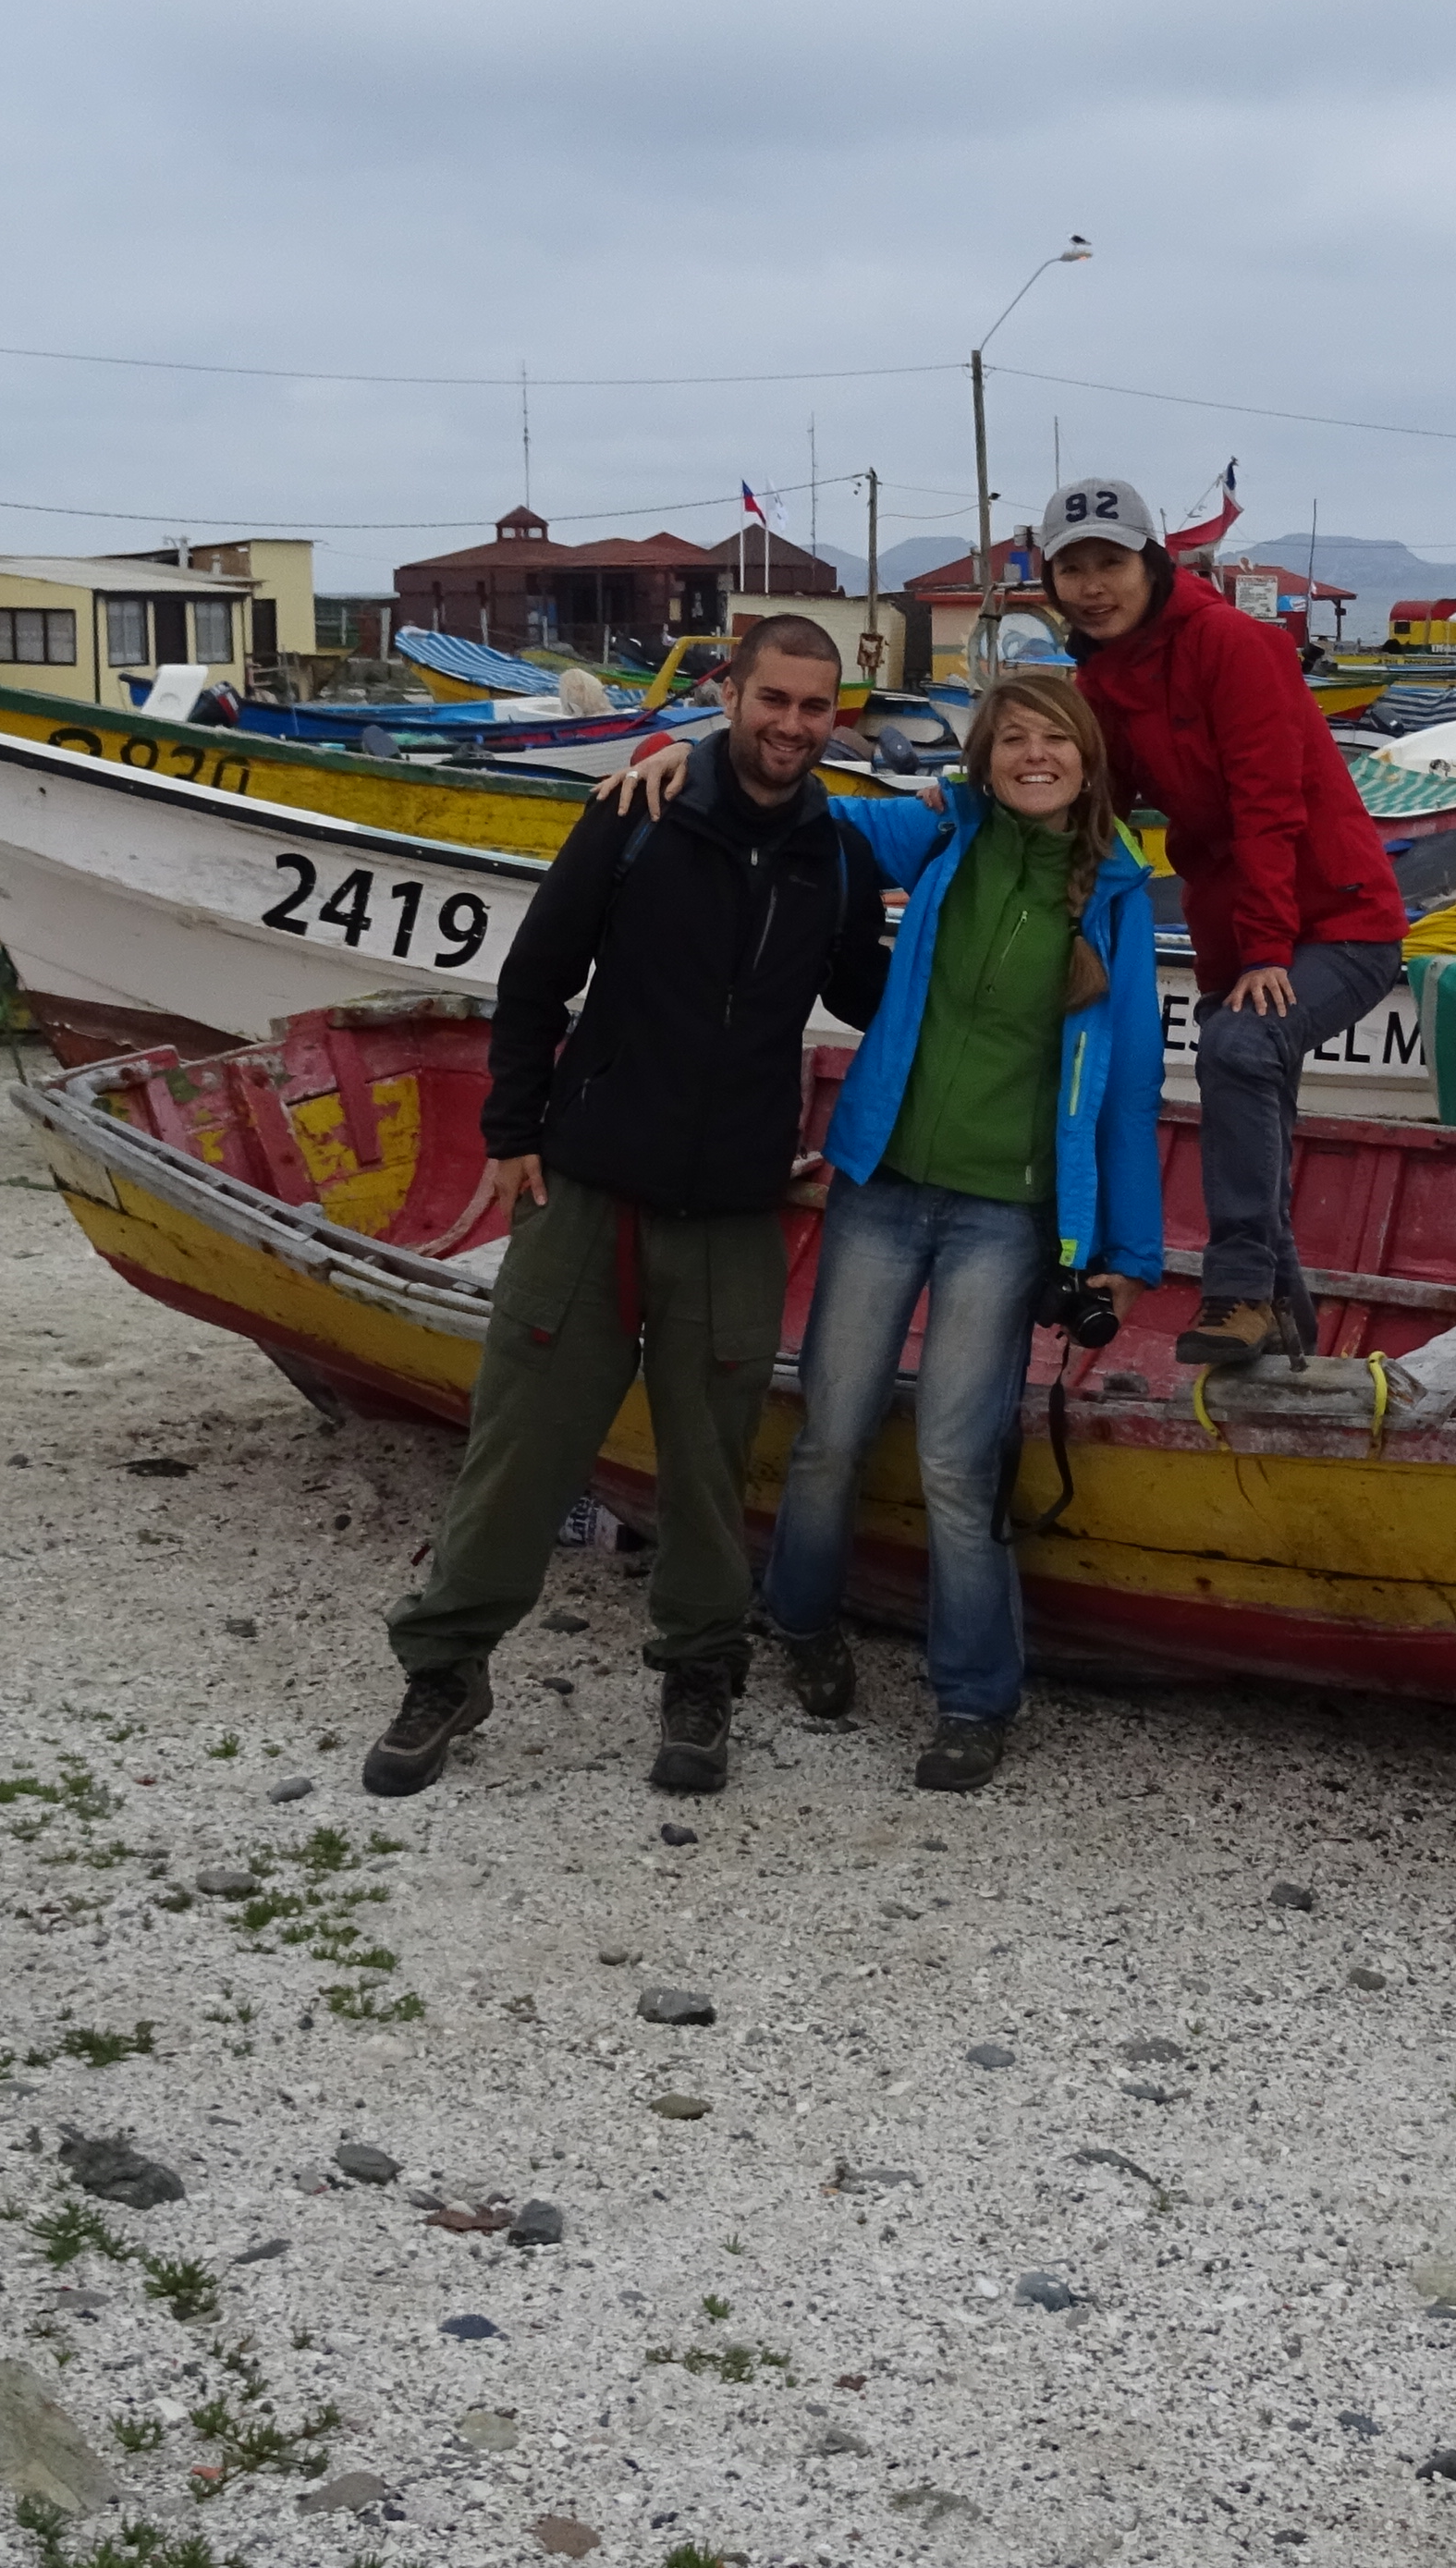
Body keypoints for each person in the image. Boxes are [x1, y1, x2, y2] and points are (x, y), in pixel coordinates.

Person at [593, 666, 1161, 1788]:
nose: (1033, 757)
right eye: (1012, 741)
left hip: (1006, 1215)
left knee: (957, 1456)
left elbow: (1131, 1087)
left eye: (1054, 740)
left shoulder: (1116, 897)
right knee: (830, 1433)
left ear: (1086, 759)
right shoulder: (939, 838)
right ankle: (798, 1621)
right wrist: (690, 758)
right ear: (983, 760)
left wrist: (1128, 1257)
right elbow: (810, 806)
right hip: (883, 1186)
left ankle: (974, 1697)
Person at [360, 614, 888, 1802]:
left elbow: (872, 994)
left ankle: (701, 1670)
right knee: (520, 1442)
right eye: (775, 701)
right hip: (589, 1185)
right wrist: (510, 1134)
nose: (794, 726)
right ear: (730, 696)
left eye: (816, 707)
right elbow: (538, 975)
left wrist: (1007, 996)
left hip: (734, 1206)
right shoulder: (637, 816)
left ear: (834, 716)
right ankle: (445, 1664)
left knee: (708, 1466)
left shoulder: (835, 856)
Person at [1035, 476, 1405, 1367]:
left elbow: (1268, 806)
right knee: (1252, 1091)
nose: (1094, 585)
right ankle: (1289, 1340)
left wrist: (1268, 950)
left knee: (1238, 1048)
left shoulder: (1233, 643)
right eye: (1073, 568)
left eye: (1110, 563)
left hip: (1342, 922)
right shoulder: (1098, 676)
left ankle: (1236, 1291)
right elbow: (1104, 810)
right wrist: (1054, 903)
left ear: (1151, 563)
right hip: (1236, 935)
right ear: (1051, 584)